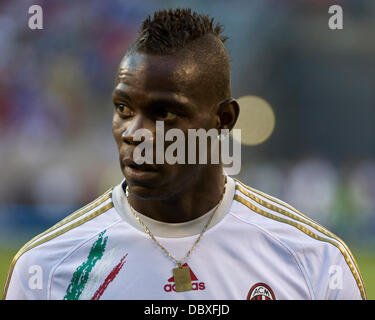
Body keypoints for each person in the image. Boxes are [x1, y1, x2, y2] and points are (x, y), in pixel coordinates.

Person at [3, 8, 365, 300]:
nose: (135, 133)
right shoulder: (47, 269)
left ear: (224, 120)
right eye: (124, 108)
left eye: (165, 113)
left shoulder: (315, 263)